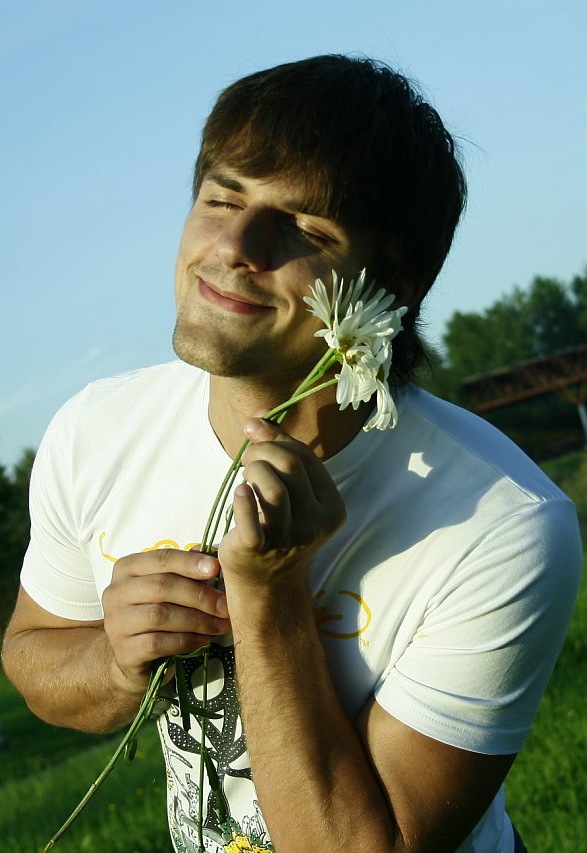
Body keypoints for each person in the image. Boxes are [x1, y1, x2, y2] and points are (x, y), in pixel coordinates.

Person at [1, 55, 582, 853]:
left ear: (396, 285)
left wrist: (270, 598)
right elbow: (35, 652)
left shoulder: (501, 523)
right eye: (220, 197)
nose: (234, 244)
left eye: (304, 228)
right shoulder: (95, 430)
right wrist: (110, 660)